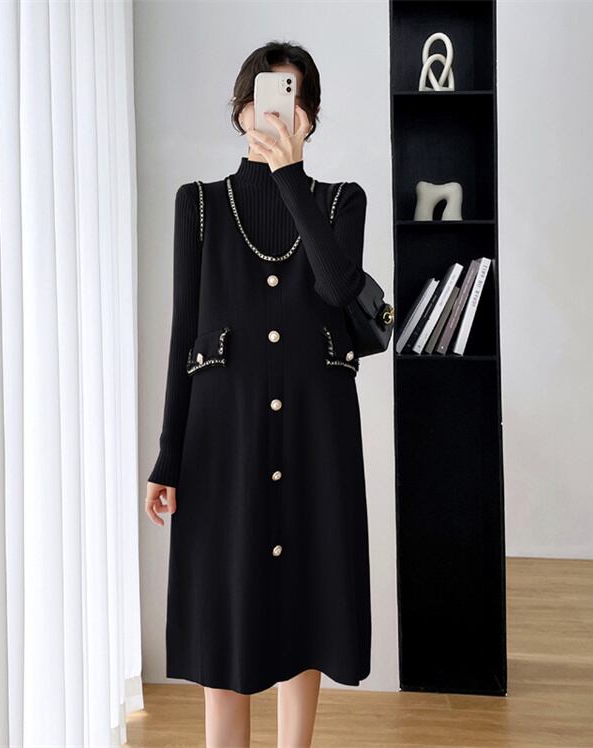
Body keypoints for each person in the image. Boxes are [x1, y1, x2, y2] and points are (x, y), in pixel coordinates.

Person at [145, 41, 371, 748]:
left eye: (293, 98)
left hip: (316, 437)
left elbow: (337, 289)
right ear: (241, 108)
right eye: (265, 95)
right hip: (222, 439)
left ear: (310, 117)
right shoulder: (199, 206)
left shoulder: (340, 201)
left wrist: (290, 176)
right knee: (226, 609)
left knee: (307, 598)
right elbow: (185, 335)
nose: (276, 111)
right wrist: (168, 457)